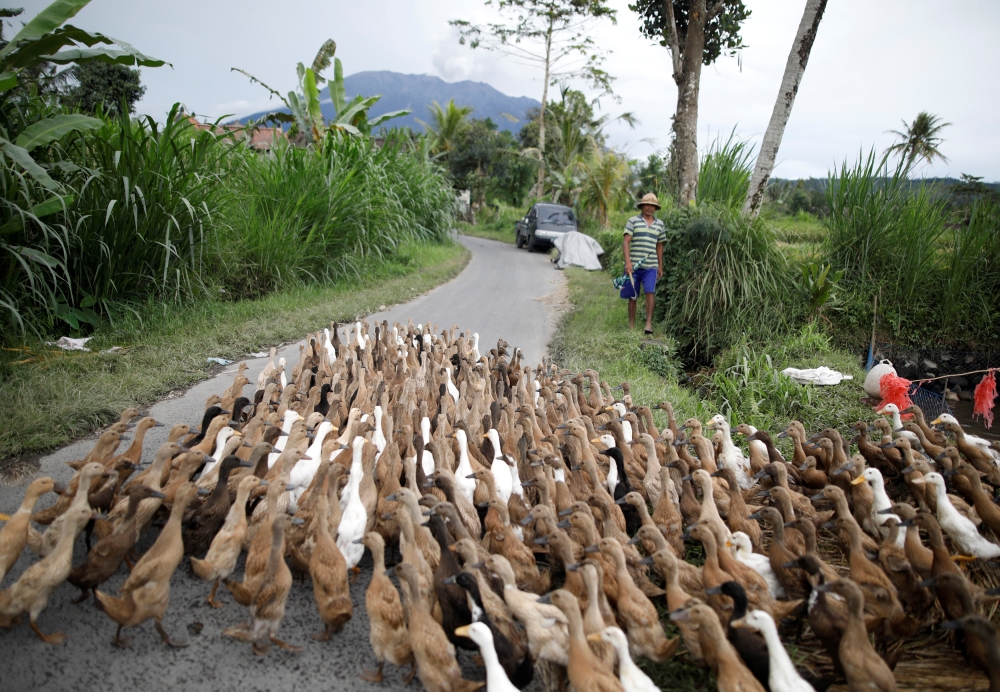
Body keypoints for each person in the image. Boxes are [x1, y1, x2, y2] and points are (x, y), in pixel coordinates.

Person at [621, 192, 666, 334]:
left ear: (655, 208)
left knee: (650, 292)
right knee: (633, 296)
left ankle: (648, 324)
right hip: (633, 266)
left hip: (651, 266)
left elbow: (659, 245)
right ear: (642, 206)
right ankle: (632, 326)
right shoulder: (633, 221)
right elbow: (626, 242)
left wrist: (660, 265)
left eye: (653, 206)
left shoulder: (660, 224)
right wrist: (628, 262)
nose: (650, 208)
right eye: (647, 205)